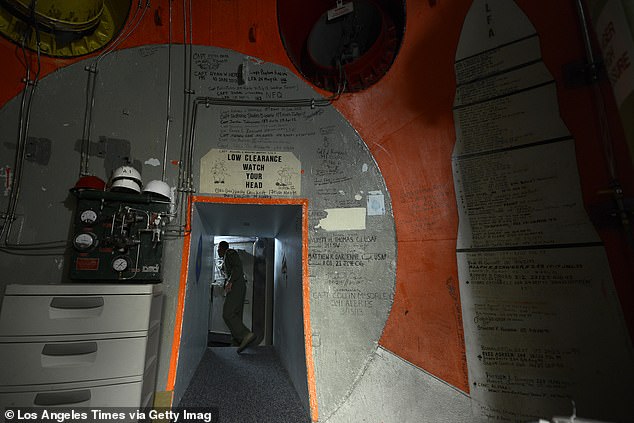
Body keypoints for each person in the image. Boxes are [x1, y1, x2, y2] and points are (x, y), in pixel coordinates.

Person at [218, 241, 256, 353]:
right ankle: (237, 342)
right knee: (236, 314)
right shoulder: (226, 257)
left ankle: (245, 335)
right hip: (239, 285)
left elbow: (237, 267)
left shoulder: (229, 252)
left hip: (236, 285)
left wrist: (230, 281)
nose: (217, 251)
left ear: (222, 248)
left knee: (227, 313)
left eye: (218, 248)